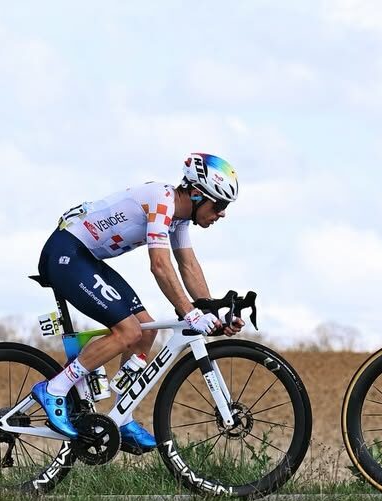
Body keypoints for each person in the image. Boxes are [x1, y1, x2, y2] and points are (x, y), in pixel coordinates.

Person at [31, 153, 244, 452]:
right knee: (129, 331)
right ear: (196, 195)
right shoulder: (162, 200)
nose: (221, 213)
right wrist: (189, 312)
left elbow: (188, 266)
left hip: (86, 257)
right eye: (218, 204)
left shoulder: (179, 219)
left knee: (146, 330)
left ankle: (121, 416)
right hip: (67, 253)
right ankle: (54, 389)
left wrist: (211, 312)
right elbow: (160, 265)